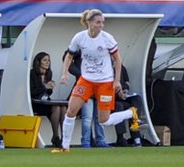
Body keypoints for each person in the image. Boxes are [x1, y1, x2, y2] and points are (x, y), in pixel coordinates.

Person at [54, 9, 129, 153]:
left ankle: (130, 113)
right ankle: (65, 147)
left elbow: (117, 60)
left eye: (102, 23)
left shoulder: (107, 38)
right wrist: (64, 74)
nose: (101, 25)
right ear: (89, 22)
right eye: (98, 22)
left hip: (105, 82)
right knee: (71, 111)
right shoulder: (79, 38)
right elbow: (69, 56)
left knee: (103, 120)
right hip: (86, 80)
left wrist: (117, 80)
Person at [29, 51, 66, 148]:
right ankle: (56, 136)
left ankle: (63, 137)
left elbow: (47, 93)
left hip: (45, 101)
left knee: (62, 108)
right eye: (45, 60)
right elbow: (31, 92)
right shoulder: (32, 74)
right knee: (56, 107)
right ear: (38, 62)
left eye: (48, 60)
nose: (47, 62)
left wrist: (50, 88)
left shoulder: (49, 74)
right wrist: (45, 87)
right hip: (35, 103)